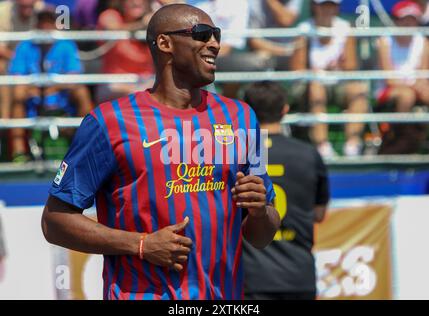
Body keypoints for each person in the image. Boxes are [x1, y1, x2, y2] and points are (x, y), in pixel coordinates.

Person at [42, 3, 280, 300]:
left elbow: (262, 236)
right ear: (165, 43)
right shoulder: (108, 122)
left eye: (216, 34)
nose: (215, 43)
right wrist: (140, 244)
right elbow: (55, 222)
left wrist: (259, 212)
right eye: (203, 34)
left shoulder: (242, 117)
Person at [242, 81, 330, 300]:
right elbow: (319, 214)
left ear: (247, 109)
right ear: (285, 110)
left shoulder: (238, 154)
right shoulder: (309, 154)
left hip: (252, 276)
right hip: (298, 275)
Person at [9, 9, 93, 162]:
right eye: (42, 23)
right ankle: (18, 152)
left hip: (61, 99)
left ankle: (87, 148)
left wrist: (48, 89)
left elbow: (74, 77)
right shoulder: (25, 46)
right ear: (36, 25)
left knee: (81, 92)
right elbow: (17, 77)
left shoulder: (66, 45)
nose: (45, 27)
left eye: (48, 23)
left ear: (54, 25)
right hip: (32, 99)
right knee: (18, 93)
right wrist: (37, 90)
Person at [290, 0, 369, 157]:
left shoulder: (345, 28)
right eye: (323, 5)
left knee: (358, 90)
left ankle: (352, 145)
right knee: (316, 88)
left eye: (331, 5)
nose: (327, 9)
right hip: (310, 85)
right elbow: (297, 68)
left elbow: (351, 67)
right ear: (314, 7)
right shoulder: (304, 29)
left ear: (337, 8)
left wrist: (340, 66)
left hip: (339, 83)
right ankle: (322, 144)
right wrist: (319, 71)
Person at [376, 0, 429, 154]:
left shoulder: (423, 42)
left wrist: (417, 85)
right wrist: (414, 85)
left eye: (412, 19)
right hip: (389, 91)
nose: (409, 23)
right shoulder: (384, 41)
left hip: (415, 87)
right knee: (406, 96)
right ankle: (397, 140)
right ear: (396, 21)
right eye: (405, 19)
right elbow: (390, 80)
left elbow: (423, 75)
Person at [95, 0, 155, 104]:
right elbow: (113, 29)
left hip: (146, 80)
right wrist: (142, 24)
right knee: (140, 95)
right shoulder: (110, 15)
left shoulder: (154, 19)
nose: (137, 2)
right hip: (115, 81)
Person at [248, 0, 304, 70]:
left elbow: (286, 20)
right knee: (262, 58)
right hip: (264, 55)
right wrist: (285, 51)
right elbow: (254, 41)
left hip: (289, 54)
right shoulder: (254, 3)